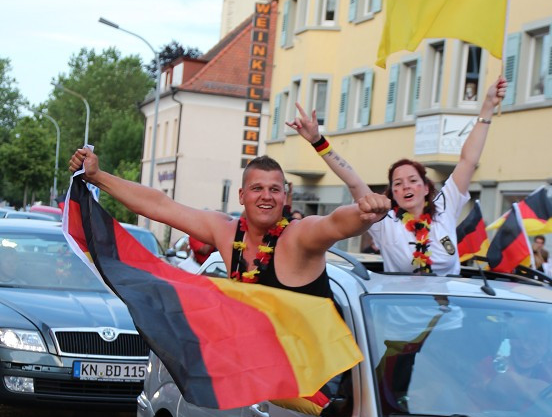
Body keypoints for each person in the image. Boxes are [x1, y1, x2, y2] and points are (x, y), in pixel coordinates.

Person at [67, 149, 390, 298]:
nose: (266, 197)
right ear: (241, 195)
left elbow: (334, 223)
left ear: (285, 197)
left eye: (275, 189)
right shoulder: (225, 230)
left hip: (315, 394)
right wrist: (97, 177)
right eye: (257, 188)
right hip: (257, 386)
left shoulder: (298, 237)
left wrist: (364, 213)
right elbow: (159, 204)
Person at [286, 76, 507, 276]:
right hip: (400, 316)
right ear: (393, 193)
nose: (406, 187)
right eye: (398, 184)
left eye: (413, 181)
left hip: (449, 315)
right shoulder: (385, 220)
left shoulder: (445, 208)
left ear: (426, 187)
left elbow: (468, 161)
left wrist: (487, 107)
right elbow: (353, 181)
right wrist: (318, 141)